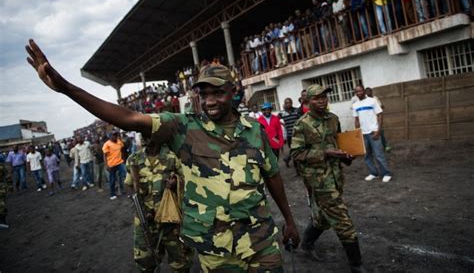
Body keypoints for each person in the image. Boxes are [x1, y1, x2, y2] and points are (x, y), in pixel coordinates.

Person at [25, 40, 299, 272]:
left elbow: (273, 176)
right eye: (204, 94)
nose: (210, 100)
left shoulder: (254, 131)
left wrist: (289, 219)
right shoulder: (184, 127)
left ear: (233, 91)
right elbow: (129, 118)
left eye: (218, 92)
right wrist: (66, 88)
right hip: (216, 248)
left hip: (261, 240)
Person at [291, 84, 366, 273]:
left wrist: (346, 156)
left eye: (324, 97)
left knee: (323, 218)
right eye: (317, 98)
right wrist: (325, 153)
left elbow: (338, 143)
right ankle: (357, 266)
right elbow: (297, 153)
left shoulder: (333, 119)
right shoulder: (302, 124)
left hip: (336, 174)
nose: (322, 100)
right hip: (318, 179)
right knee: (342, 220)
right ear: (308, 101)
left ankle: (306, 245)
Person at [126, 143, 193, 272]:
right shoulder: (134, 159)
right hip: (145, 221)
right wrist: (140, 207)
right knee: (145, 262)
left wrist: (176, 183)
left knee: (181, 262)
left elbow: (189, 180)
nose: (145, 136)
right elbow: (128, 185)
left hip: (172, 220)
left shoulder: (173, 157)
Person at [353, 85, 392, 182]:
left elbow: (380, 115)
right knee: (367, 156)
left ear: (364, 91)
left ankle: (386, 173)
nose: (359, 93)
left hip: (373, 132)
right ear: (355, 93)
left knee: (379, 154)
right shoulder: (355, 105)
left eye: (360, 91)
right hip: (363, 134)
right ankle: (373, 173)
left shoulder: (372, 101)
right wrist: (357, 133)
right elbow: (356, 120)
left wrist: (378, 131)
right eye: (357, 92)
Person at [365, 87, 391, 152]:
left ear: (371, 92)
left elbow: (380, 106)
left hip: (377, 118)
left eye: (370, 91)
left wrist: (380, 107)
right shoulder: (365, 100)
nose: (369, 93)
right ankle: (373, 149)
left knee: (381, 133)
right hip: (370, 120)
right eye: (367, 92)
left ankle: (385, 146)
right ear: (366, 93)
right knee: (370, 134)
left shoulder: (375, 98)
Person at [102, 132, 126, 200]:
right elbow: (104, 155)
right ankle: (112, 194)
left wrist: (123, 159)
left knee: (123, 175)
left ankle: (122, 190)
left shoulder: (119, 142)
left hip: (120, 163)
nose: (115, 137)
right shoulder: (106, 144)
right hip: (111, 165)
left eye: (116, 135)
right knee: (112, 180)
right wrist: (106, 165)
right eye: (114, 135)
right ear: (110, 136)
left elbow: (122, 149)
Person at [278, 98, 300, 168]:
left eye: (289, 103)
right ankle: (297, 169)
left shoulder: (297, 110)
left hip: (298, 134)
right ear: (284, 104)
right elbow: (275, 120)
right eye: (286, 103)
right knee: (293, 151)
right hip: (290, 135)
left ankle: (288, 160)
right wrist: (282, 124)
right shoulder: (282, 113)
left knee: (299, 150)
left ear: (292, 103)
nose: (288, 104)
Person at [0, 152, 11, 229]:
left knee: (1, 205)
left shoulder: (1, 166)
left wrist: (9, 185)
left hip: (1, 188)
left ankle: (2, 221)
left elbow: (7, 175)